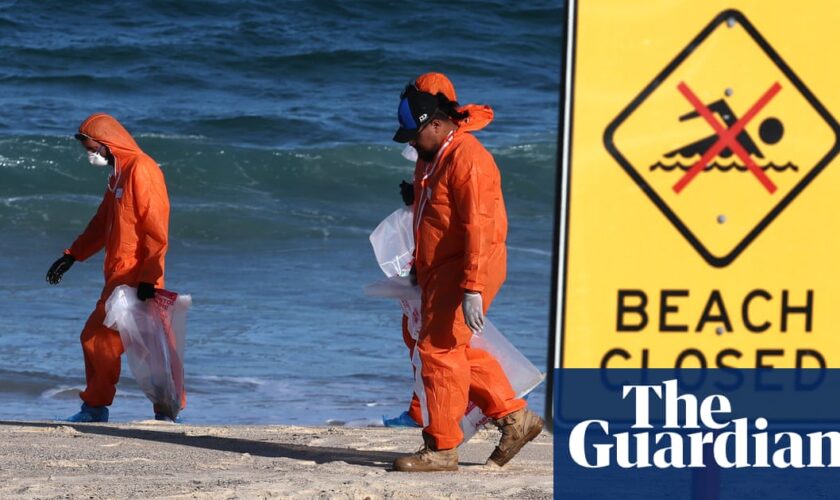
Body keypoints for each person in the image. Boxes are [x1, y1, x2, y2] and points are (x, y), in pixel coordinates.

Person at [390, 73, 543, 472]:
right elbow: (438, 211)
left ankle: (441, 449)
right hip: (440, 266)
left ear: (437, 124)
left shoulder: (470, 161)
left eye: (414, 133)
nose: (409, 141)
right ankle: (514, 417)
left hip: (467, 267)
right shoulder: (434, 153)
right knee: (442, 344)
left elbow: (481, 228)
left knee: (438, 351)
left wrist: (472, 287)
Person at [45, 113, 171, 423]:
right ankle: (100, 408)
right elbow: (102, 223)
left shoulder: (142, 170)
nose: (90, 155)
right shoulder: (118, 175)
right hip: (118, 279)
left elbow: (157, 231)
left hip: (138, 278)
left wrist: (149, 279)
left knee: (140, 347)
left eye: (92, 148)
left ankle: (160, 412)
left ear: (108, 144)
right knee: (113, 342)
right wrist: (72, 255)